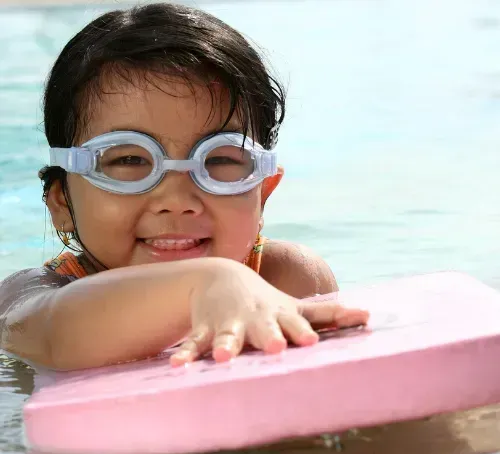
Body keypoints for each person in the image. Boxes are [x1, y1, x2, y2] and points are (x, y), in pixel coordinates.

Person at [0, 3, 368, 373]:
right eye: (130, 160)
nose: (177, 201)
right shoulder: (32, 295)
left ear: (263, 192)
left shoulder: (285, 277)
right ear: (61, 202)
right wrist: (209, 283)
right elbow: (56, 334)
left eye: (218, 160)